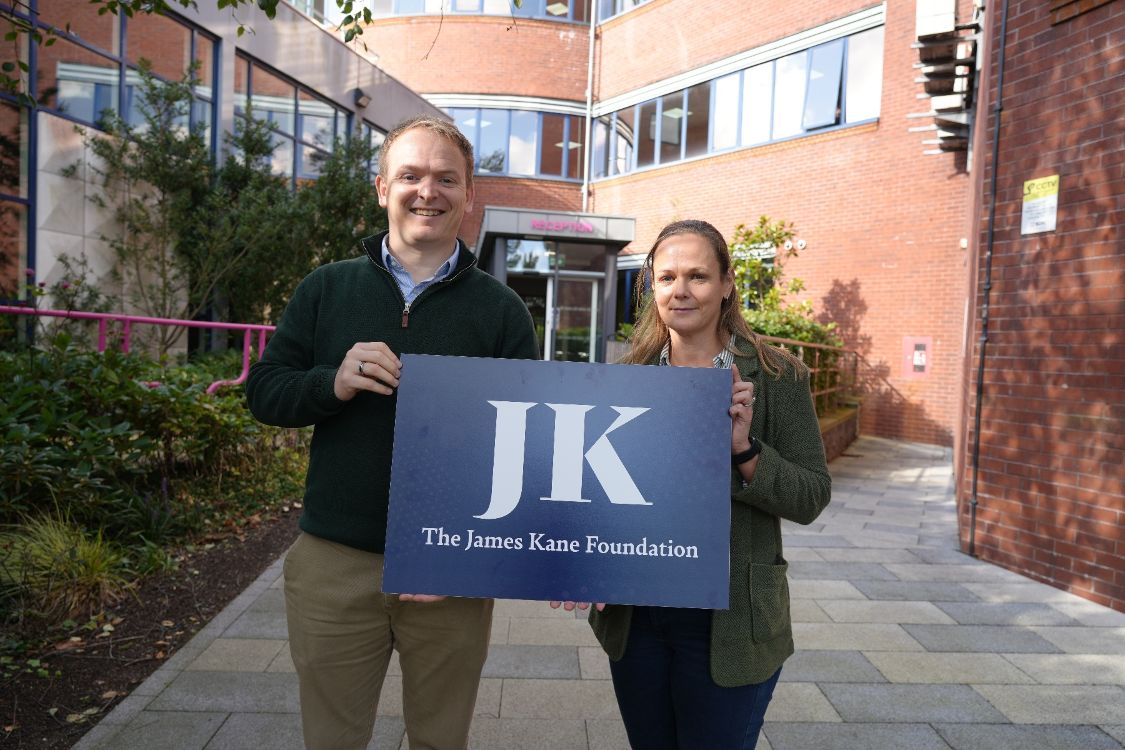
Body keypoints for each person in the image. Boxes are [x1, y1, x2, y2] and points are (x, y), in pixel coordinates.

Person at [246, 116, 538, 750]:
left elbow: (523, 448)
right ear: (382, 188)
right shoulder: (326, 289)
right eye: (410, 175)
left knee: (440, 740)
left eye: (445, 178)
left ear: (468, 196)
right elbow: (265, 392)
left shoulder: (502, 311)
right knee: (331, 739)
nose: (426, 191)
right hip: (335, 563)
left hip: (451, 569)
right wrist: (332, 382)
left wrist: (473, 559)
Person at [585, 219, 831, 749]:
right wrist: (589, 563)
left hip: (730, 621)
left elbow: (811, 495)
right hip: (640, 619)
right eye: (667, 276)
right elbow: (601, 497)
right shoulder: (626, 377)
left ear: (726, 284)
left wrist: (744, 451)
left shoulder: (778, 376)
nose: (681, 290)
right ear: (652, 287)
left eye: (697, 275)